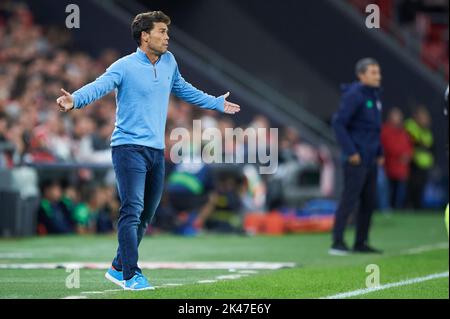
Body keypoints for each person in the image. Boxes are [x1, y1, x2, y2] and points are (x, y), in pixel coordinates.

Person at [56, 11, 240, 290]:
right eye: (162, 32)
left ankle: (118, 267)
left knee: (145, 215)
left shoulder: (169, 62)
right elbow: (100, 86)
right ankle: (131, 274)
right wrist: (75, 100)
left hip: (156, 151)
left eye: (167, 32)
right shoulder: (124, 66)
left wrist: (214, 102)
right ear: (145, 36)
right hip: (127, 147)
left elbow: (183, 88)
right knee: (132, 210)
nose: (167, 37)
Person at [330, 58, 384, 255]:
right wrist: (351, 151)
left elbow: (374, 129)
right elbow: (338, 123)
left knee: (369, 201)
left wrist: (380, 152)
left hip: (371, 158)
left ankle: (361, 242)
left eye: (378, 72)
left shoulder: (375, 95)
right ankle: (337, 242)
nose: (378, 76)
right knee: (349, 200)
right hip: (356, 158)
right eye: (373, 73)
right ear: (361, 75)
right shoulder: (354, 95)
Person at [381, 107, 413, 209]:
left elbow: (409, 147)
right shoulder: (385, 130)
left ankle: (398, 209)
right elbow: (388, 146)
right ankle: (386, 209)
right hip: (388, 167)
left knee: (400, 192)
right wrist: (400, 155)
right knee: (387, 191)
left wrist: (407, 155)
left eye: (399, 116)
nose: (398, 118)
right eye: (396, 116)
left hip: (402, 168)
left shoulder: (403, 132)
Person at [405, 106, 434, 209]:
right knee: (412, 186)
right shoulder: (411, 125)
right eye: (422, 117)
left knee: (421, 187)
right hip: (413, 162)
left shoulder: (427, 131)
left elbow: (430, 146)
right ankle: (408, 206)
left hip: (425, 164)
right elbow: (413, 141)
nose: (425, 120)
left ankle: (417, 206)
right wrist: (422, 144)